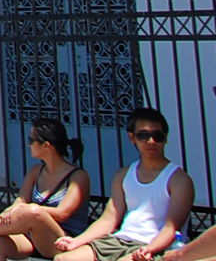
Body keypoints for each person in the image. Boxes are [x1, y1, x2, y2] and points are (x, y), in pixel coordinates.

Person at [54, 108, 192, 261]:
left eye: (157, 136)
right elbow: (109, 219)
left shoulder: (179, 180)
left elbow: (171, 228)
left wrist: (148, 250)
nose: (151, 141)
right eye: (143, 135)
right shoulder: (123, 175)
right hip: (118, 241)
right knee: (63, 259)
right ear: (132, 137)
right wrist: (76, 241)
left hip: (154, 246)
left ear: (165, 138)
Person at [0, 118, 91, 256]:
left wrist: (28, 210)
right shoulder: (36, 171)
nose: (29, 145)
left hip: (63, 239)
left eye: (32, 140)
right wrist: (0, 218)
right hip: (31, 237)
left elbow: (62, 213)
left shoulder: (78, 176)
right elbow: (20, 201)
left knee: (32, 211)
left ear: (46, 145)